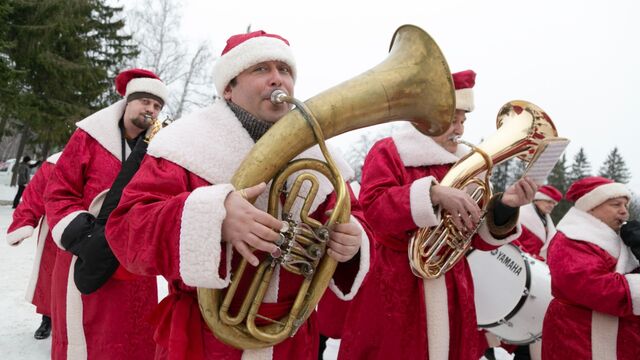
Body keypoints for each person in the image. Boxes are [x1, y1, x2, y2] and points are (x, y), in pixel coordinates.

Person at [105, 30, 370, 360]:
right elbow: (126, 231)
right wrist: (213, 217)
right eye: (261, 69)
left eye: (285, 70)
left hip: (291, 339)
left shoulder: (322, 157)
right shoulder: (184, 144)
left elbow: (355, 219)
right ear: (228, 87)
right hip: (204, 339)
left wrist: (352, 243)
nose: (277, 80)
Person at [338, 70, 539, 360]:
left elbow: (476, 241)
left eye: (462, 121)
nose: (459, 130)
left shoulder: (469, 165)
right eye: (452, 120)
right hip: (394, 284)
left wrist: (506, 205)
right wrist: (431, 194)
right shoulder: (391, 151)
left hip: (453, 285)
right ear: (428, 118)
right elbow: (374, 209)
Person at [44, 68, 168, 360]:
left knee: (134, 336)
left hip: (134, 261)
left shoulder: (159, 149)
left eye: (157, 105)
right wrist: (86, 238)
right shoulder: (89, 137)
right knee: (86, 338)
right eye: (145, 101)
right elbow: (59, 192)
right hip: (84, 251)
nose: (150, 109)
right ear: (128, 101)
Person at [542, 176, 640, 359]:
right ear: (592, 206)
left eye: (625, 206)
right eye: (616, 205)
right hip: (579, 341)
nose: (624, 212)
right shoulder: (570, 239)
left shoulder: (618, 239)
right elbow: (592, 286)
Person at [6, 152, 62, 340]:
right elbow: (35, 193)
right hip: (55, 231)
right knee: (50, 276)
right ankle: (48, 318)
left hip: (93, 230)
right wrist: (24, 221)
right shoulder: (56, 162)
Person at [513, 184, 563, 259]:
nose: (551, 206)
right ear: (537, 199)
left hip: (531, 265)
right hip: (514, 259)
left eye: (554, 203)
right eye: (548, 201)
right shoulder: (521, 214)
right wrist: (530, 256)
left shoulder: (547, 223)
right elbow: (511, 239)